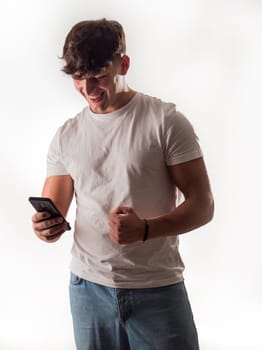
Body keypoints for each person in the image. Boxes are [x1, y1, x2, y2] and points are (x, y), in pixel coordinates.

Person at [32, 18, 214, 350]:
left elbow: (203, 205)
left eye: (98, 76)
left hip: (156, 288)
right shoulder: (67, 135)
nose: (88, 90)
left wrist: (145, 229)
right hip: (87, 289)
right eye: (78, 79)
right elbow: (53, 209)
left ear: (123, 64)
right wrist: (46, 227)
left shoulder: (165, 121)